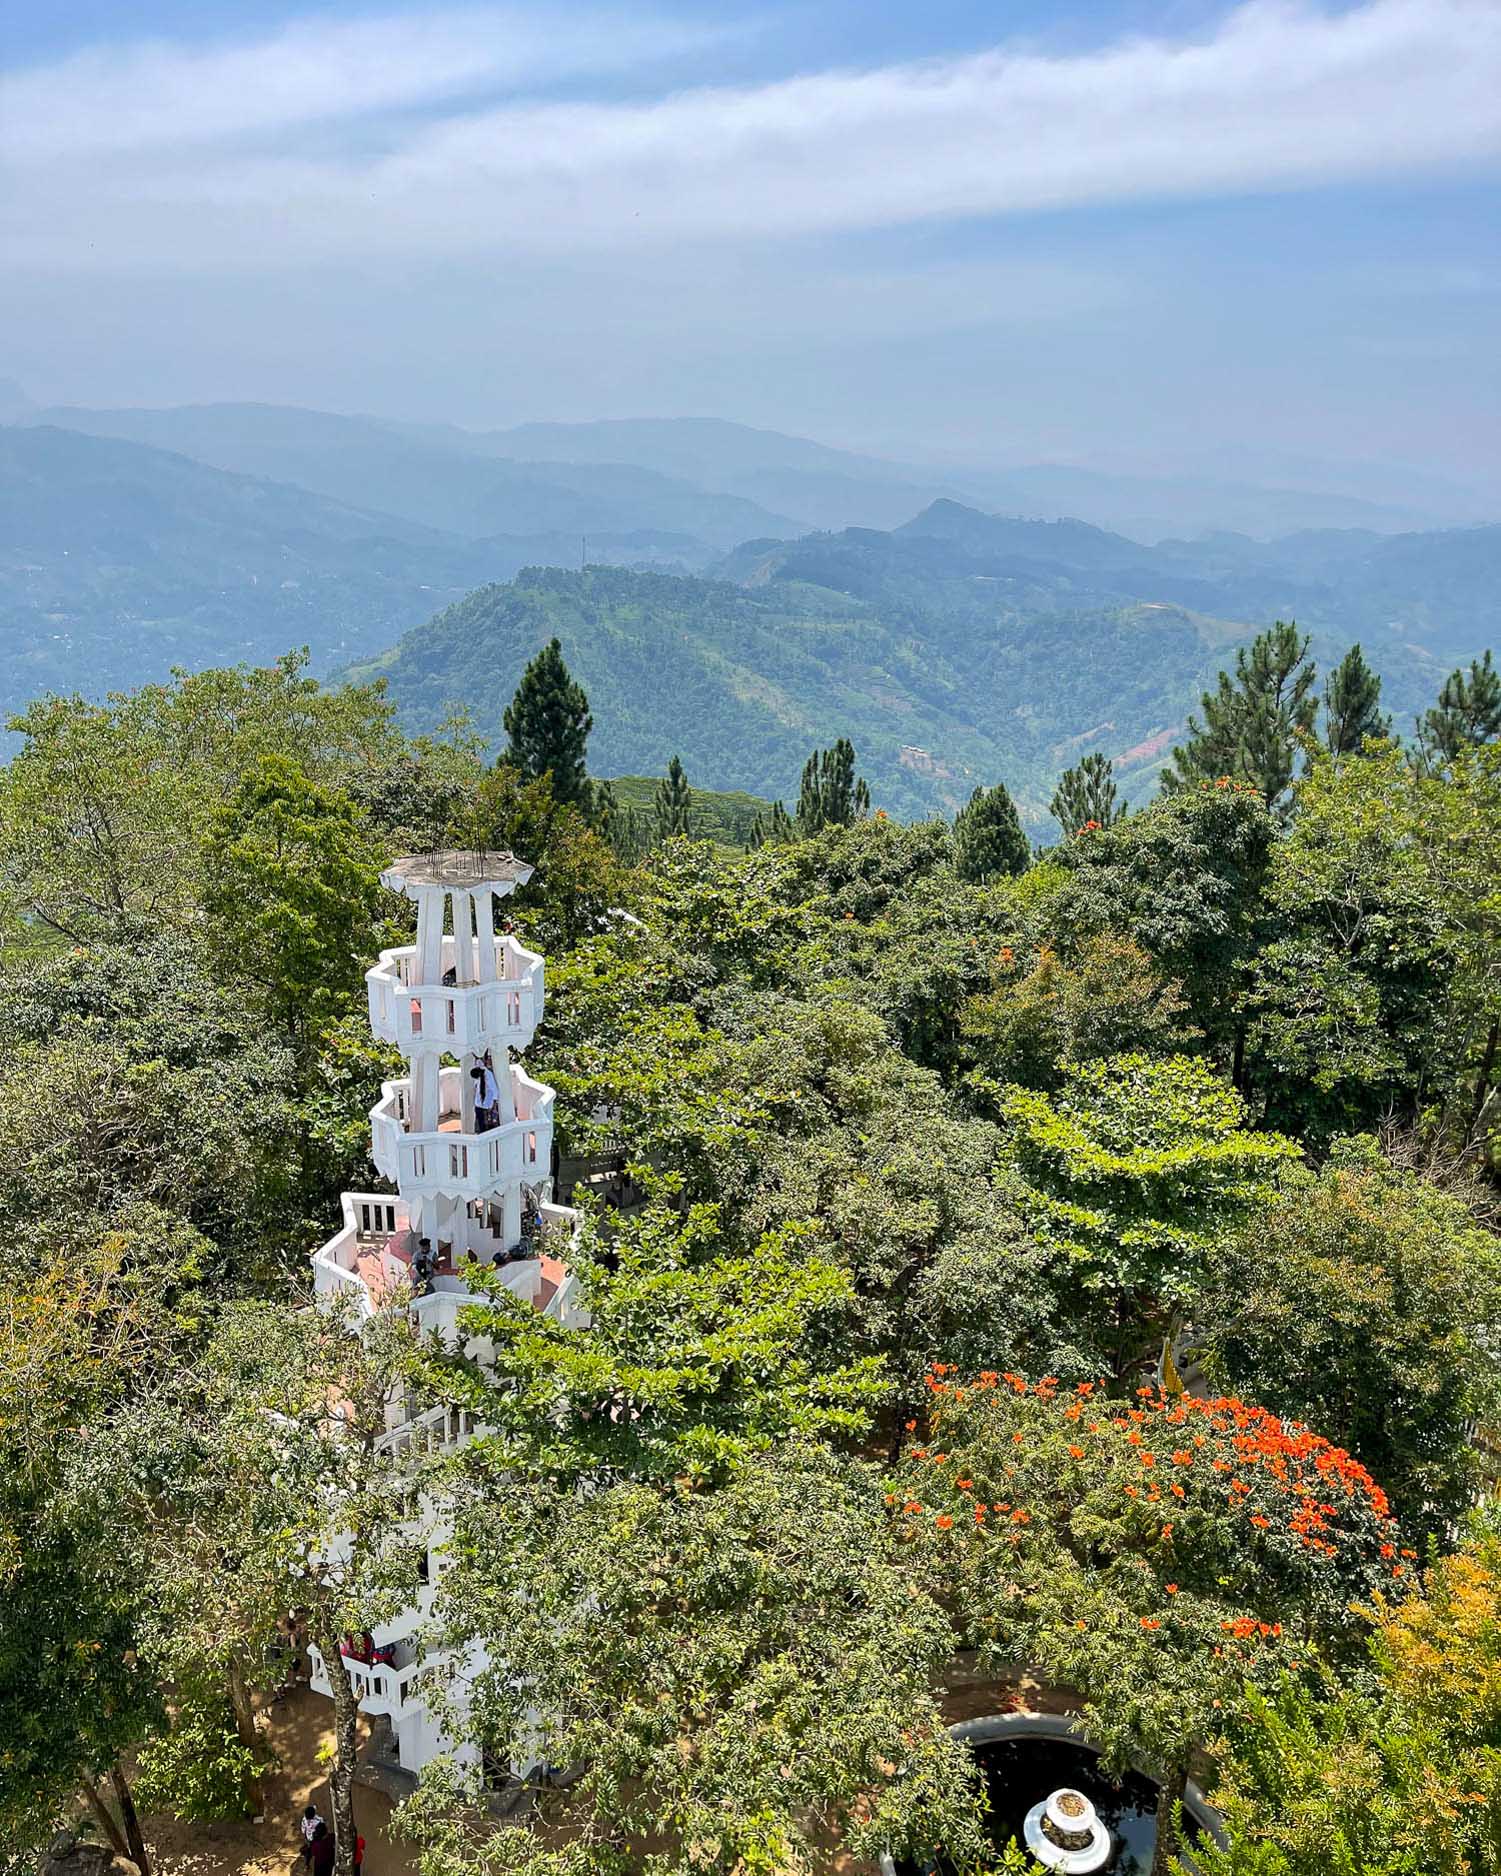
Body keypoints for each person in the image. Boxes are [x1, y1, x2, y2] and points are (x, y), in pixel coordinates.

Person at [298, 1805, 325, 1869]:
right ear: (313, 1815)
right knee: (316, 1849)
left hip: (308, 1837)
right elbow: (322, 1825)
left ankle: (307, 1864)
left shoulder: (304, 1820)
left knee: (309, 1851)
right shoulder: (318, 1820)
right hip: (316, 1838)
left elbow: (303, 1830)